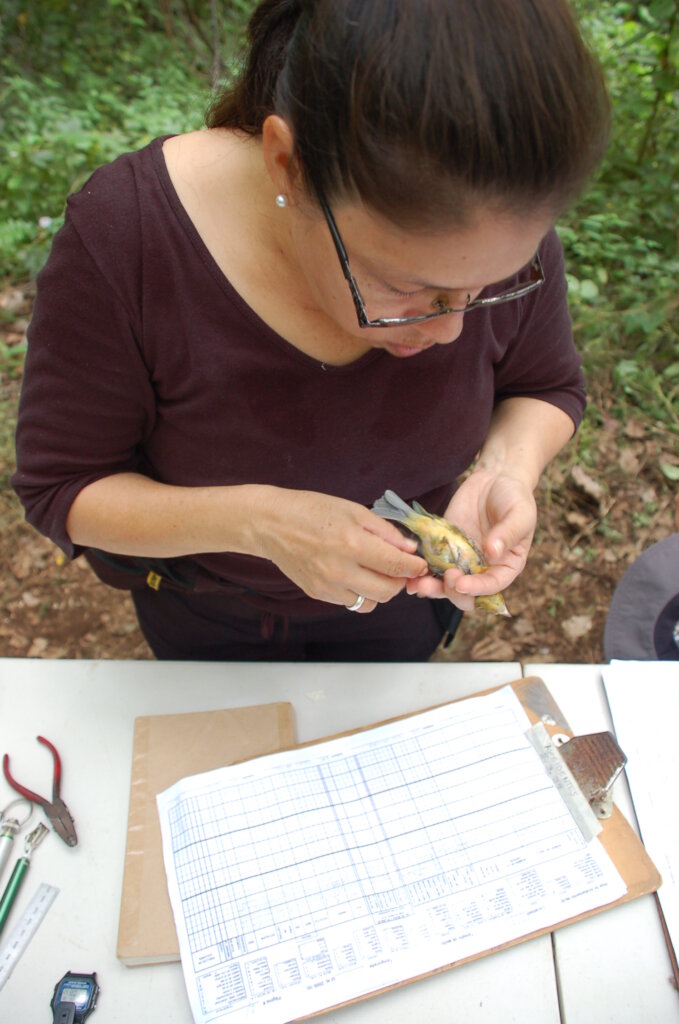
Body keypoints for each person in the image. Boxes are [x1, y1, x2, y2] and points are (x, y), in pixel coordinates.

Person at [12, 0, 610, 661]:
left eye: (489, 286)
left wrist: (507, 468)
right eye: (406, 287)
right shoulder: (129, 239)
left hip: (405, 607)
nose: (449, 333)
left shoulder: (494, 216)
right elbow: (63, 486)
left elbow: (544, 384)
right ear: (286, 166)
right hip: (208, 608)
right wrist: (258, 525)